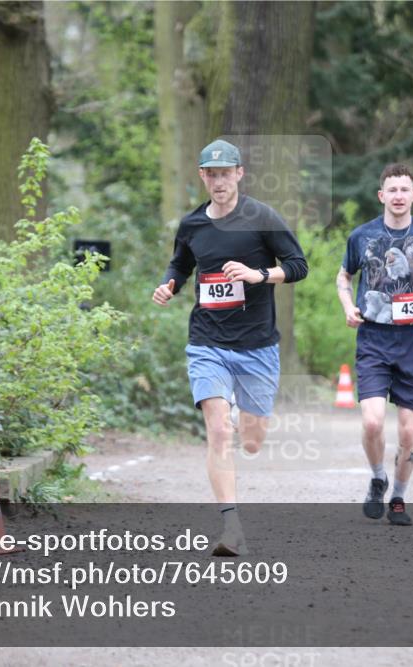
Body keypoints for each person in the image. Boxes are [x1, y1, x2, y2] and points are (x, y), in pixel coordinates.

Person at [152, 139, 308, 555]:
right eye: (211, 174)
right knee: (219, 431)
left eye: (226, 173)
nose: (219, 181)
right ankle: (231, 527)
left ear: (239, 173)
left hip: (257, 345)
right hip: (207, 341)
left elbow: (298, 266)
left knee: (252, 441)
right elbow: (180, 264)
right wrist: (171, 284)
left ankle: (245, 415)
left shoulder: (262, 217)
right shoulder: (192, 225)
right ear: (202, 176)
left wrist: (258, 275)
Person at [336, 163, 413, 526]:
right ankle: (378, 476)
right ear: (382, 196)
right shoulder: (362, 236)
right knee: (373, 423)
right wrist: (348, 306)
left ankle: (399, 498)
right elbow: (344, 275)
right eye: (392, 190)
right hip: (373, 338)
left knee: (408, 430)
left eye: (405, 190)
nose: (399, 196)